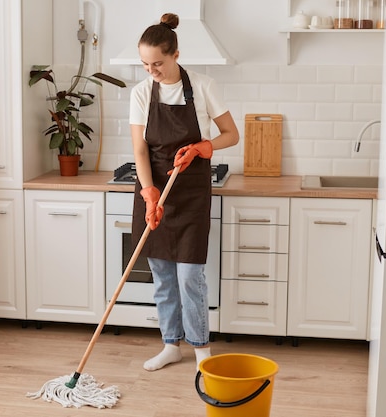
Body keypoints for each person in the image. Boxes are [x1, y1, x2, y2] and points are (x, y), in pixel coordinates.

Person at [129, 13, 239, 372]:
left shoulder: (203, 86)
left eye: (157, 63)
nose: (152, 71)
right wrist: (148, 193)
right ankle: (170, 344)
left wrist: (204, 147)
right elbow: (140, 150)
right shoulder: (141, 93)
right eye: (145, 64)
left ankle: (201, 350)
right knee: (162, 275)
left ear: (176, 54)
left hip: (191, 190)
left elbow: (230, 134)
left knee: (190, 276)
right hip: (155, 187)